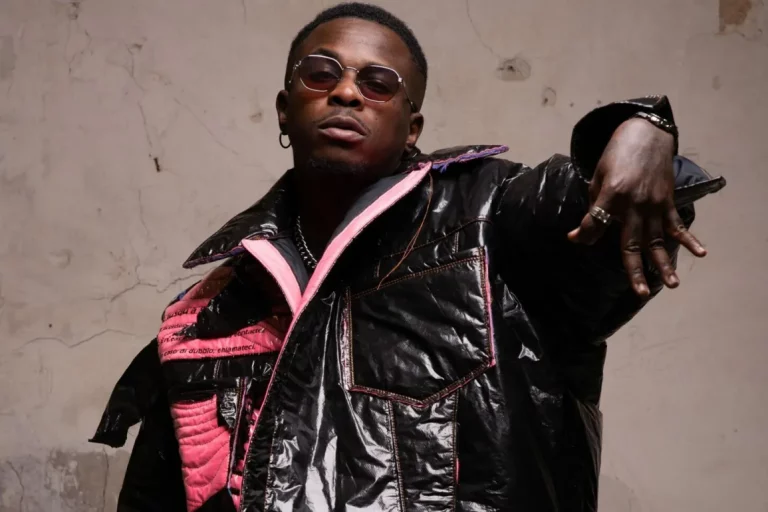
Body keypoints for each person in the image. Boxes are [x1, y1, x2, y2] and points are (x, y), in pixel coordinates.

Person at [91, 3, 725, 511]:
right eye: (321, 74)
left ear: (412, 128)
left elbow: (588, 200)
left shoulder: (492, 219)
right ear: (285, 110)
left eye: (377, 84)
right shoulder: (209, 315)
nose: (346, 93)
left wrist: (642, 129)